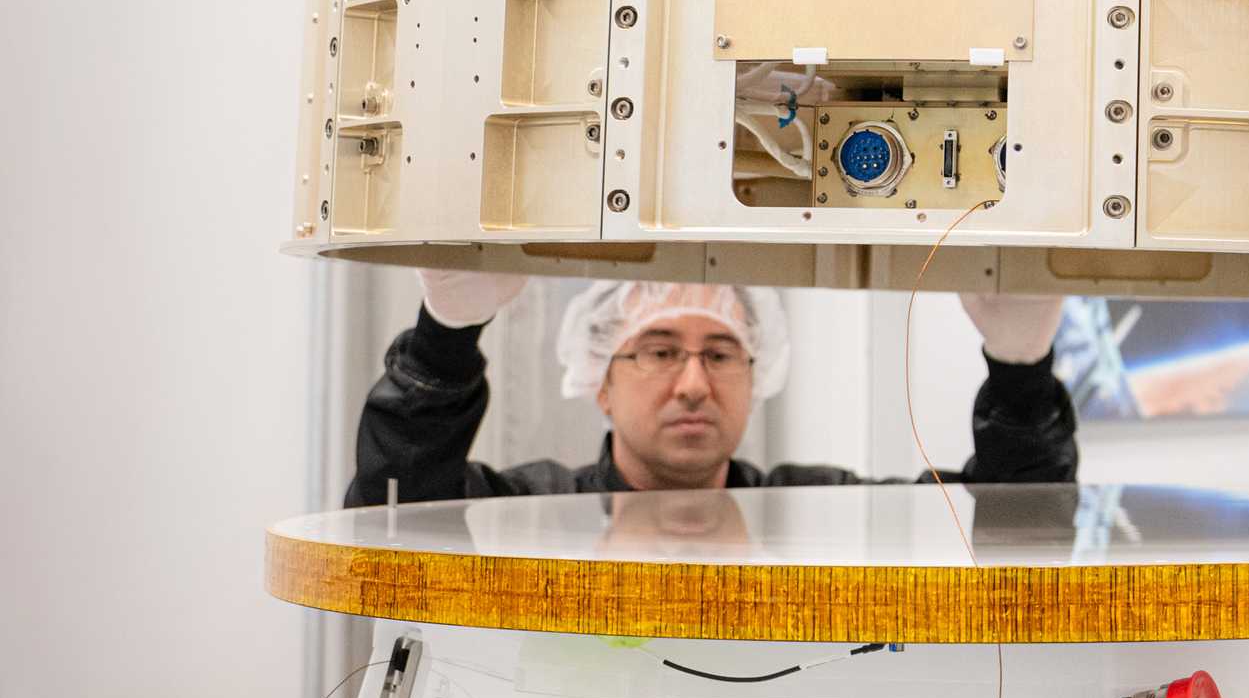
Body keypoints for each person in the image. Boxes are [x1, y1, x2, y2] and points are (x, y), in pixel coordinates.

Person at [347, 272, 1076, 500]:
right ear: (601, 382)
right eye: (660, 350)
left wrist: (1021, 369)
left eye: (722, 353)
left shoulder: (812, 515)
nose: (694, 383)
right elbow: (393, 497)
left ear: (757, 375)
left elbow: (1009, 524)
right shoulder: (533, 515)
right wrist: (444, 332)